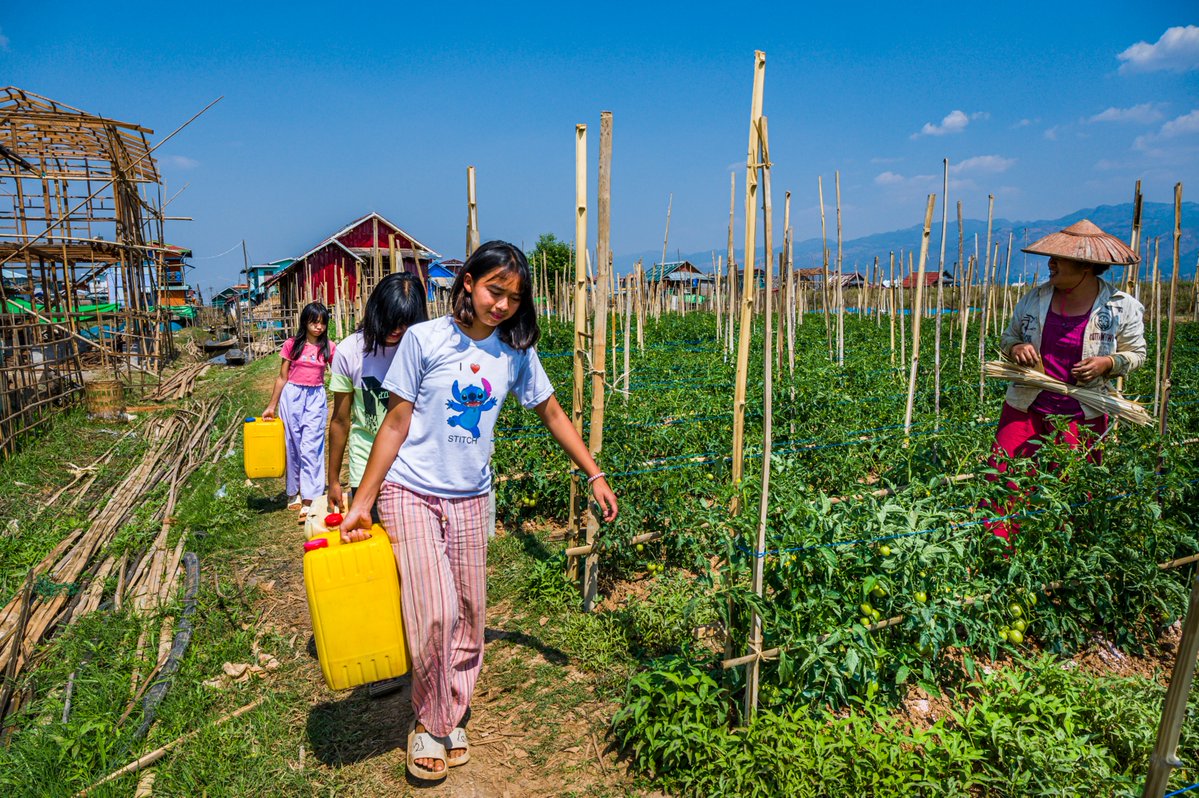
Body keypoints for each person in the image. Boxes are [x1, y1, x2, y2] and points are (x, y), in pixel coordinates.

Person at [339, 241, 618, 782]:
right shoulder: (424, 339)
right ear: (468, 282)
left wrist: (594, 472)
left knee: (469, 615)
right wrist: (362, 501)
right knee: (434, 609)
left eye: (514, 297)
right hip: (411, 490)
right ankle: (429, 722)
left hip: (471, 497)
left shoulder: (514, 352)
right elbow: (394, 424)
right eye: (495, 291)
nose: (503, 305)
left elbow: (553, 413)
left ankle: (451, 708)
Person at [987, 219, 1146, 540]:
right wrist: (1016, 347)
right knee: (1005, 479)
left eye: (1058, 259)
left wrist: (1108, 362)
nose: (1050, 264)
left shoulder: (1120, 307)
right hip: (1026, 405)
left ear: (1085, 267)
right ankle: (999, 550)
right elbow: (1008, 338)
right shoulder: (1035, 298)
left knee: (1072, 490)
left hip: (1082, 414)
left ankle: (1062, 557)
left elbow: (1137, 353)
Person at [328, 273, 429, 515]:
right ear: (375, 311)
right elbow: (341, 421)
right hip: (365, 468)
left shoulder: (424, 351)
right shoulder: (349, 352)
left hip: (412, 467)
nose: (396, 330)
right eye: (390, 320)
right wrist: (333, 479)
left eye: (405, 322)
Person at [262, 302, 335, 523]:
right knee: (292, 445)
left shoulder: (329, 348)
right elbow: (282, 378)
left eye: (322, 322)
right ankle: (293, 491)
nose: (318, 327)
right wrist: (271, 406)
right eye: (314, 322)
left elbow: (342, 371)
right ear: (305, 322)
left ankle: (310, 498)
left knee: (311, 446)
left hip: (315, 398)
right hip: (292, 397)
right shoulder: (291, 345)